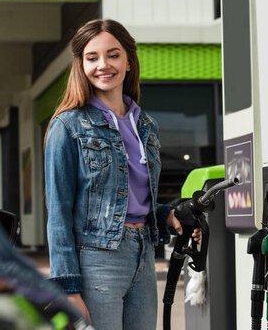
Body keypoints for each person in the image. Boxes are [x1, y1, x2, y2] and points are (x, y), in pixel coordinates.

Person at [44, 19, 200, 330]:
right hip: (96, 260)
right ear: (81, 64)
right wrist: (68, 287)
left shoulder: (146, 126)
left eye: (113, 55)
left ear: (128, 61)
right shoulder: (68, 126)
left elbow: (130, 200)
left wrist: (168, 217)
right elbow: (58, 213)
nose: (104, 65)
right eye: (92, 58)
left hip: (143, 254)